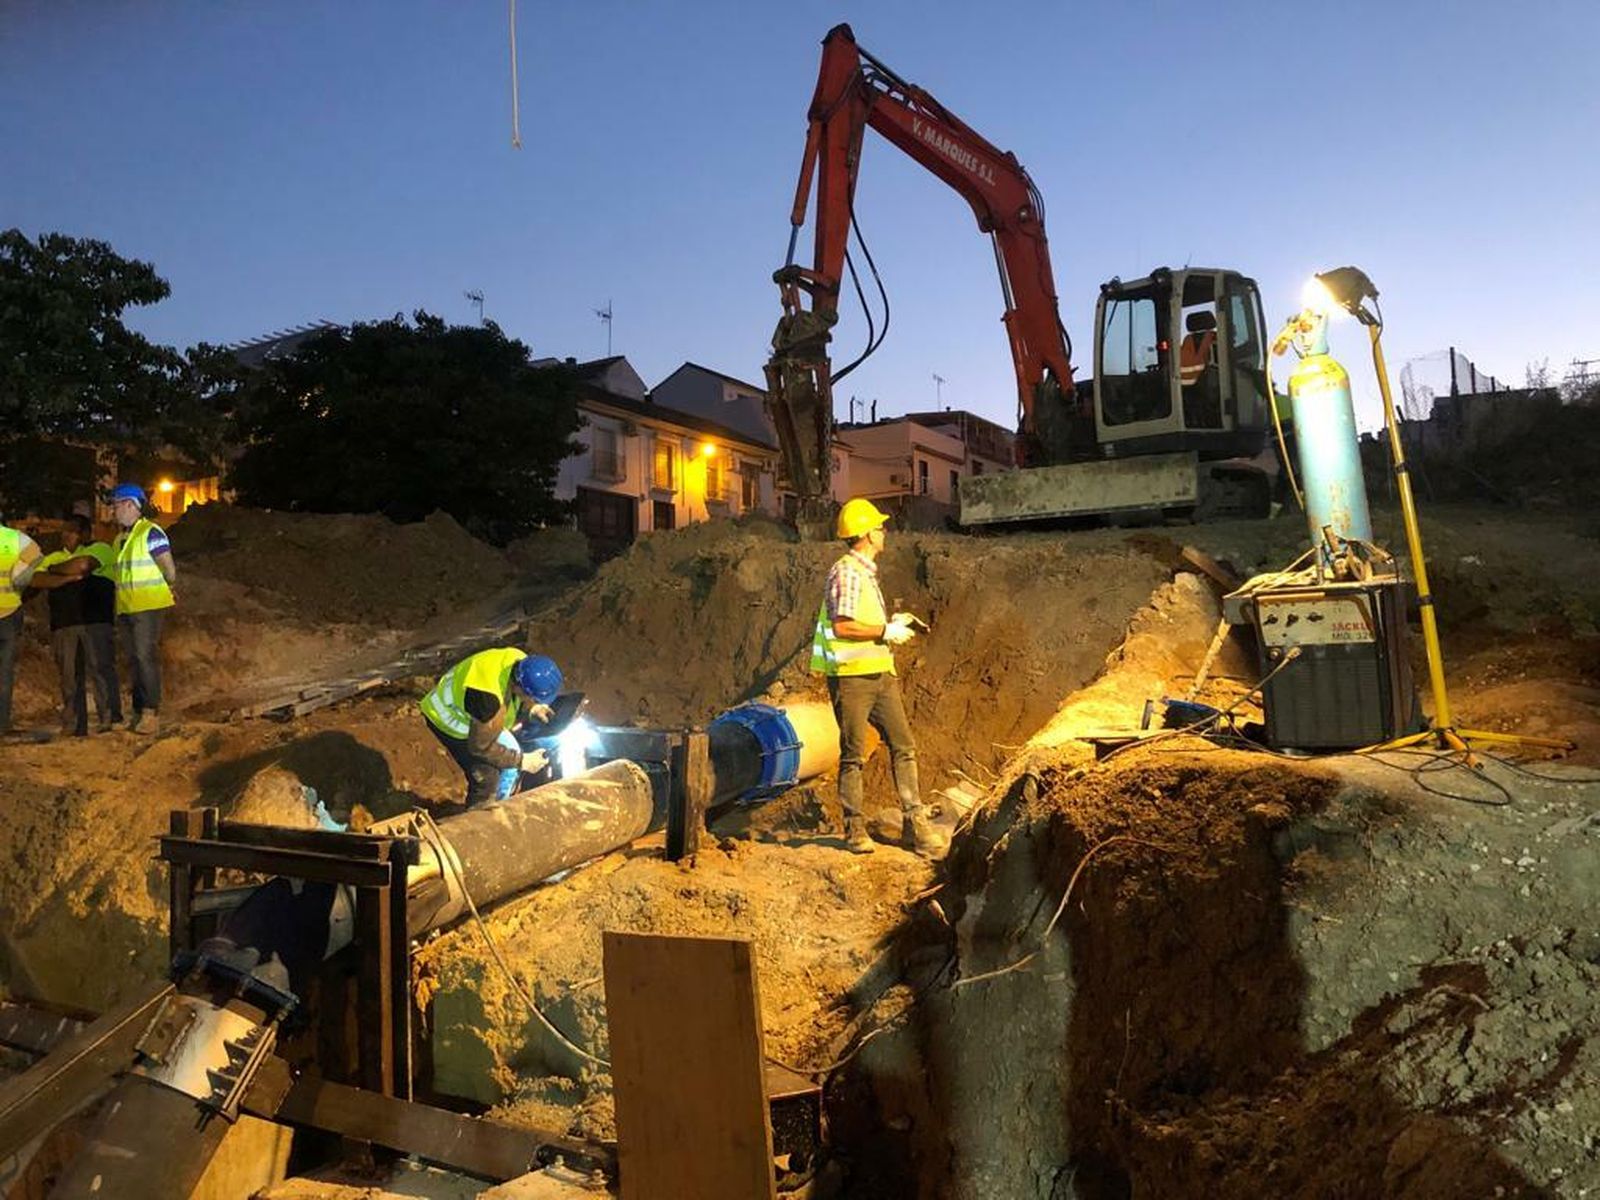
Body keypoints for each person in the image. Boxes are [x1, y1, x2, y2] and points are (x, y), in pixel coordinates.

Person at [810, 497, 946, 858]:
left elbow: (860, 620)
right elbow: (843, 624)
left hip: (880, 675)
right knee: (853, 755)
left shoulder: (865, 573)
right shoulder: (846, 572)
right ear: (867, 534)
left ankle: (915, 825)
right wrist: (883, 630)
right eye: (880, 527)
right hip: (853, 679)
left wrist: (892, 624)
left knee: (904, 745)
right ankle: (854, 829)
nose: (884, 531)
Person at [420, 648, 560, 806]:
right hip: (447, 721)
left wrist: (531, 708)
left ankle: (500, 802)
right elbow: (480, 746)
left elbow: (510, 694)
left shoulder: (519, 661)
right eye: (533, 698)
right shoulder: (487, 699)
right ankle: (480, 820)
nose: (534, 701)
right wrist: (522, 761)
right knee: (488, 779)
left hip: (477, 714)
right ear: (521, 688)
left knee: (507, 757)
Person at [28, 514, 123, 736]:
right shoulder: (53, 557)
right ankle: (74, 725)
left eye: (72, 530)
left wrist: (54, 571)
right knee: (69, 677)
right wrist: (65, 577)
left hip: (96, 621)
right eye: (65, 530)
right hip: (64, 623)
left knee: (100, 670)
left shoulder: (102, 549)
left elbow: (83, 565)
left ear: (85, 533)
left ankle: (109, 720)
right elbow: (35, 579)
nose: (66, 534)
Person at [109, 483, 176, 734]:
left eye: (116, 505)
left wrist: (167, 586)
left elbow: (169, 570)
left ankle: (150, 712)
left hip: (147, 606)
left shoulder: (151, 532)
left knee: (144, 656)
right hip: (127, 608)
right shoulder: (119, 540)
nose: (113, 510)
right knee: (134, 659)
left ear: (130, 505)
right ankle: (139, 712)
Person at [0, 509, 43, 734]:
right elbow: (37, 558)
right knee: (5, 673)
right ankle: (2, 723)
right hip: (9, 612)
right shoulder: (15, 539)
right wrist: (20, 580)